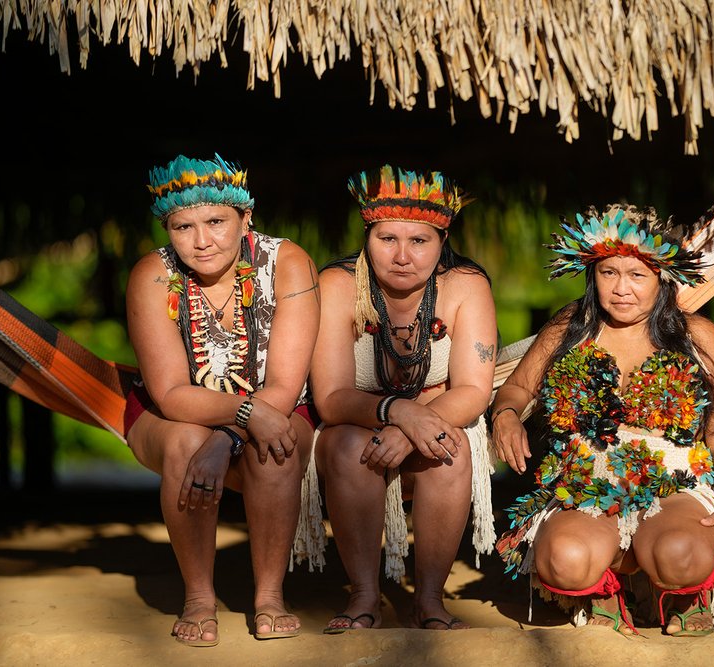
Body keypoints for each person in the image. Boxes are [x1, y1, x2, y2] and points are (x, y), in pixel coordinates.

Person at [491, 204, 714, 636]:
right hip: (585, 485)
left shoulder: (697, 336)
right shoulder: (571, 326)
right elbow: (518, 388)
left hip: (675, 486)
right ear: (592, 274)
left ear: (662, 278)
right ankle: (607, 588)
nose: (622, 288)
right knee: (564, 559)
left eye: (637, 275)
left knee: (681, 554)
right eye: (609, 273)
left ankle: (680, 591)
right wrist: (506, 414)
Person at [124, 154, 320, 645]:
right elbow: (169, 395)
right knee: (185, 442)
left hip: (278, 404)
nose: (201, 240)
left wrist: (230, 435)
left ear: (246, 218)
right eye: (182, 226)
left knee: (274, 445)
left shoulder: (288, 263)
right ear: (167, 228)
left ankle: (270, 596)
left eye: (215, 222)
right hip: (172, 416)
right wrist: (241, 414)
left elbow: (284, 385)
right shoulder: (153, 275)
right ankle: (198, 598)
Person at [309, 165, 497, 632]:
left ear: (442, 239)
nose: (401, 256)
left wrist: (414, 427)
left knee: (448, 451)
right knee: (352, 448)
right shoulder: (336, 285)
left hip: (437, 419)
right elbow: (331, 398)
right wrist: (398, 412)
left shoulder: (466, 286)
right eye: (386, 239)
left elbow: (474, 390)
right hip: (355, 425)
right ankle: (365, 596)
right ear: (366, 237)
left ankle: (430, 599)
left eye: (419, 241)